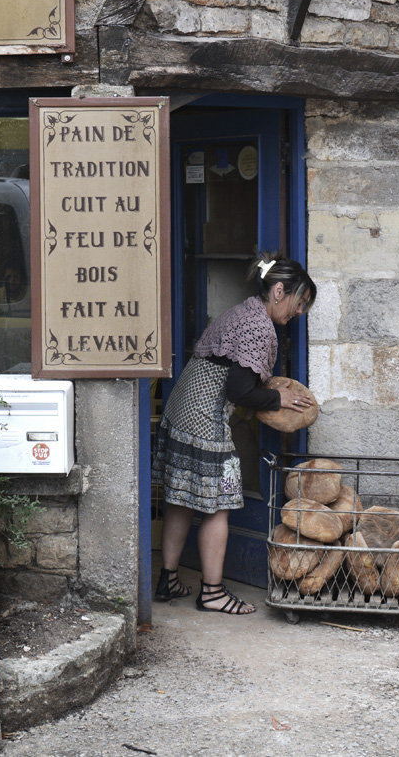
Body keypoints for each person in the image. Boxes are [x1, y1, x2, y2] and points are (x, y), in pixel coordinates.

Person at [152, 251, 317, 614]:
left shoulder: (243, 311)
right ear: (279, 291)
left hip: (182, 410)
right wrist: (278, 398)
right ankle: (212, 592)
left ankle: (168, 578)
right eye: (299, 301)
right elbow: (240, 392)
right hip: (204, 419)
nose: (299, 311)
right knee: (221, 504)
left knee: (180, 498)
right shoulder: (259, 327)